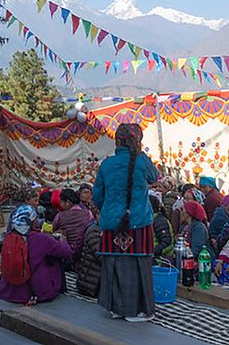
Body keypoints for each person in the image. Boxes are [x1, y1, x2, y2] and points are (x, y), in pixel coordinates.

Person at [93, 123, 159, 322]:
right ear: (137, 141)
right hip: (139, 222)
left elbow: (98, 196)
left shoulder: (106, 165)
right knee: (140, 266)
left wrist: (109, 211)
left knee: (114, 265)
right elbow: (155, 177)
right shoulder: (142, 161)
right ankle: (142, 310)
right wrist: (141, 153)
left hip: (112, 223)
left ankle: (118, 308)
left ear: (117, 141)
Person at [0, 205, 72, 305]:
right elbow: (66, 252)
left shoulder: (9, 236)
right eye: (35, 218)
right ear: (32, 221)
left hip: (7, 291)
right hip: (35, 292)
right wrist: (63, 240)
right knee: (54, 257)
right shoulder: (40, 238)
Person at [52, 188, 92, 265]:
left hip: (68, 253)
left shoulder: (60, 216)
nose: (60, 205)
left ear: (68, 202)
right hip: (84, 253)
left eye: (61, 202)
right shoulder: (88, 213)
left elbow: (54, 229)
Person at [77, 205, 102, 298]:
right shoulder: (94, 231)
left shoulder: (104, 230)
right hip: (91, 285)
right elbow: (101, 256)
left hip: (96, 280)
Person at [149, 193, 174, 261]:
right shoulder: (150, 219)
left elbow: (166, 241)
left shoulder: (159, 221)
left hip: (161, 259)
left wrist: (153, 252)